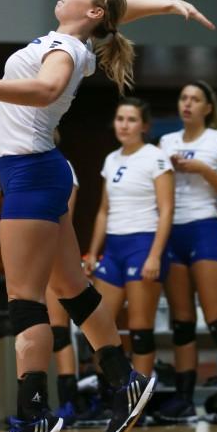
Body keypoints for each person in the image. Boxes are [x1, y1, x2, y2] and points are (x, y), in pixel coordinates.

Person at [0, 0, 214, 432]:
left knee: (25, 300)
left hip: (30, 176)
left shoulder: (66, 47)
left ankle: (33, 414)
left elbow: (47, 89)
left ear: (90, 13)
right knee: (70, 287)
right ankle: (123, 379)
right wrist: (171, 2)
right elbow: (115, 7)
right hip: (36, 171)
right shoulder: (81, 37)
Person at [154, 81, 217, 426]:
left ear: (207, 108)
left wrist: (203, 170)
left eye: (195, 99)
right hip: (173, 230)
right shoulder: (166, 142)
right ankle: (183, 399)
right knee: (181, 323)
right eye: (183, 97)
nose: (188, 104)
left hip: (205, 227)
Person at [85, 98, 174, 389]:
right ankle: (108, 393)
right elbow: (103, 210)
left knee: (139, 327)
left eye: (132, 119)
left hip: (143, 244)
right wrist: (94, 252)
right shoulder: (111, 159)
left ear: (144, 126)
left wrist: (154, 256)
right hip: (113, 248)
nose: (124, 125)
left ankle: (140, 397)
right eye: (120, 118)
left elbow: (166, 209)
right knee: (99, 326)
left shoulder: (155, 158)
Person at [46, 129, 82, 428]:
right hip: (30, 255)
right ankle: (32, 406)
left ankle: (69, 401)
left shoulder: (62, 165)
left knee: (59, 330)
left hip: (53, 250)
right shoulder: (22, 162)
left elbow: (64, 215)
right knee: (30, 328)